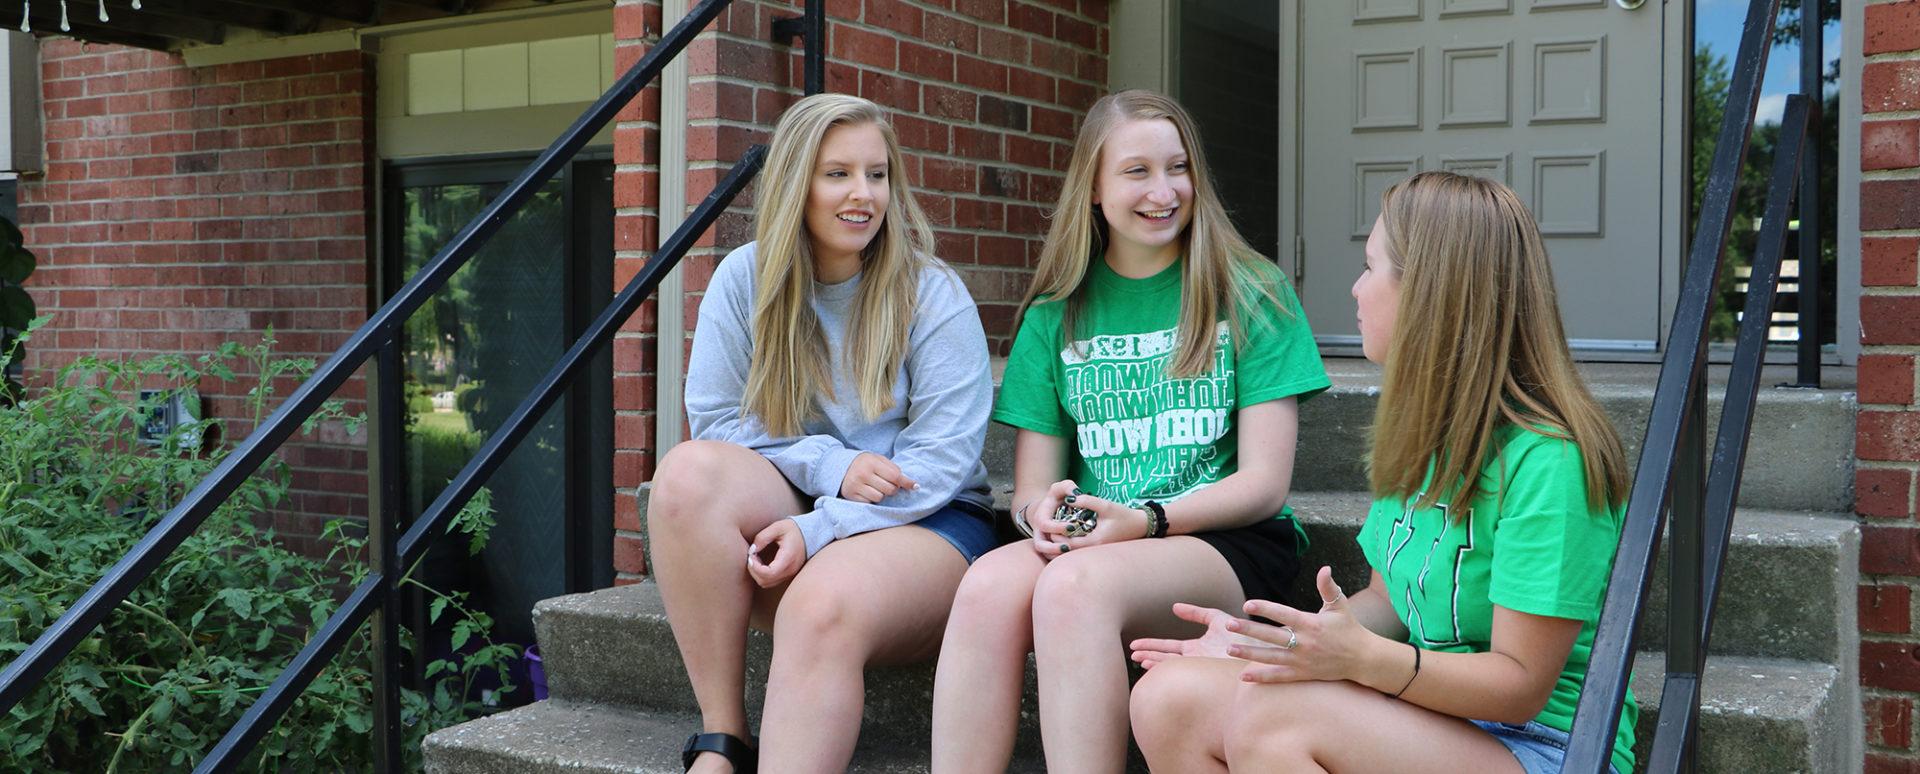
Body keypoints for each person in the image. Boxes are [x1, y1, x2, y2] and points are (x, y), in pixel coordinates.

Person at [1126, 171, 1637, 774]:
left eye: (1371, 267)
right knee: (1169, 698)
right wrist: (1269, 642)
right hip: (1431, 718)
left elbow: (1520, 685)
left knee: (1276, 718)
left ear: (1429, 293)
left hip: (1542, 745)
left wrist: (1361, 661)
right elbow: (1388, 604)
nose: (1355, 288)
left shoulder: (1551, 460)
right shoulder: (1428, 436)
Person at [929, 90, 1329, 774]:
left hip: (1218, 542)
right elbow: (1030, 490)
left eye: (1177, 168)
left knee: (1074, 589)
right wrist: (1041, 516)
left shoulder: (1252, 289)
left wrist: (1144, 521)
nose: (1164, 190)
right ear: (1093, 187)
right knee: (988, 587)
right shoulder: (1057, 314)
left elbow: (1264, 485)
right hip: (1098, 537)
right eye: (1137, 171)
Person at [645, 93, 995, 774]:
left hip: (931, 522)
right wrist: (832, 467)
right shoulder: (745, 279)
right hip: (807, 503)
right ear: (795, 182)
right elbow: (719, 424)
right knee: (686, 477)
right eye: (837, 174)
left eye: (876, 174)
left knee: (821, 599)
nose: (862, 194)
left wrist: (820, 527)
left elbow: (943, 461)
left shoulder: (932, 292)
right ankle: (722, 736)